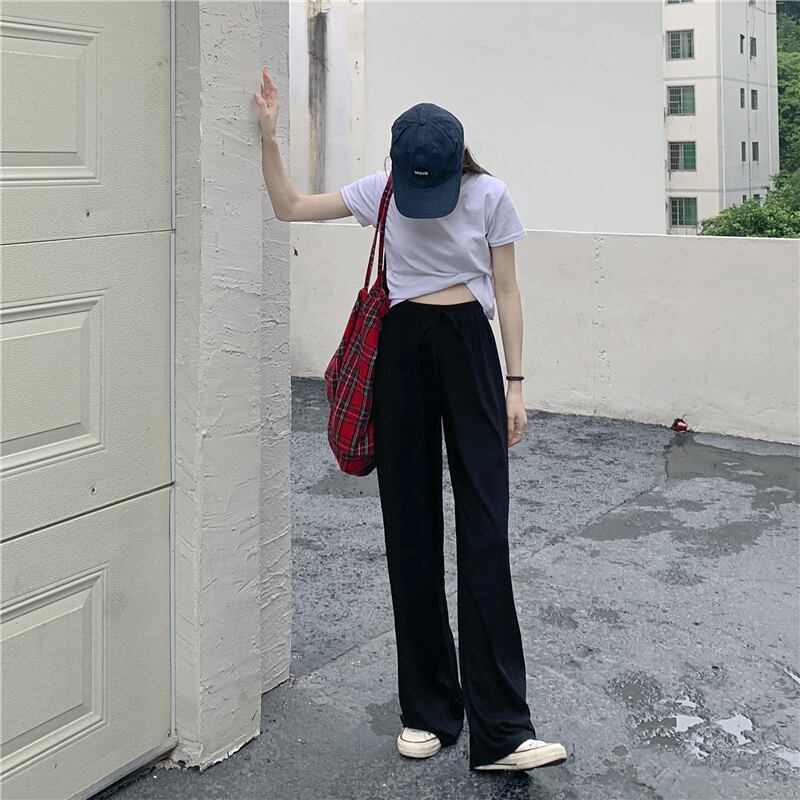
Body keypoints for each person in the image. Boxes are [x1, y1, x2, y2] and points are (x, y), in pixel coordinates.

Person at [253, 67, 567, 773]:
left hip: (471, 348)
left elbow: (508, 290)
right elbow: (290, 207)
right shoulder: (383, 189)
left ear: (457, 162)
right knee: (410, 529)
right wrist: (269, 137)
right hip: (401, 351)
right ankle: (427, 710)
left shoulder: (490, 195)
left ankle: (502, 731)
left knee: (485, 529)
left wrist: (516, 384)